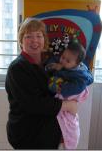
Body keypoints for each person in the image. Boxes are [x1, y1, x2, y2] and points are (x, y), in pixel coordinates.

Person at [5, 18, 78, 149]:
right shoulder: (17, 68)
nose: (34, 40)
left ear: (44, 39)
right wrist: (67, 105)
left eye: (39, 35)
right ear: (21, 41)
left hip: (45, 136)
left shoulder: (48, 65)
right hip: (28, 138)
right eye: (28, 36)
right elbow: (33, 103)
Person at [45, 42, 94, 149]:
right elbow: (55, 59)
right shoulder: (65, 62)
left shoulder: (80, 75)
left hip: (68, 98)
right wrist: (52, 66)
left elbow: (76, 88)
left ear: (77, 64)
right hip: (60, 102)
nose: (63, 61)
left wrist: (60, 88)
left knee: (69, 122)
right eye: (63, 57)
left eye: (67, 61)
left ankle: (68, 140)